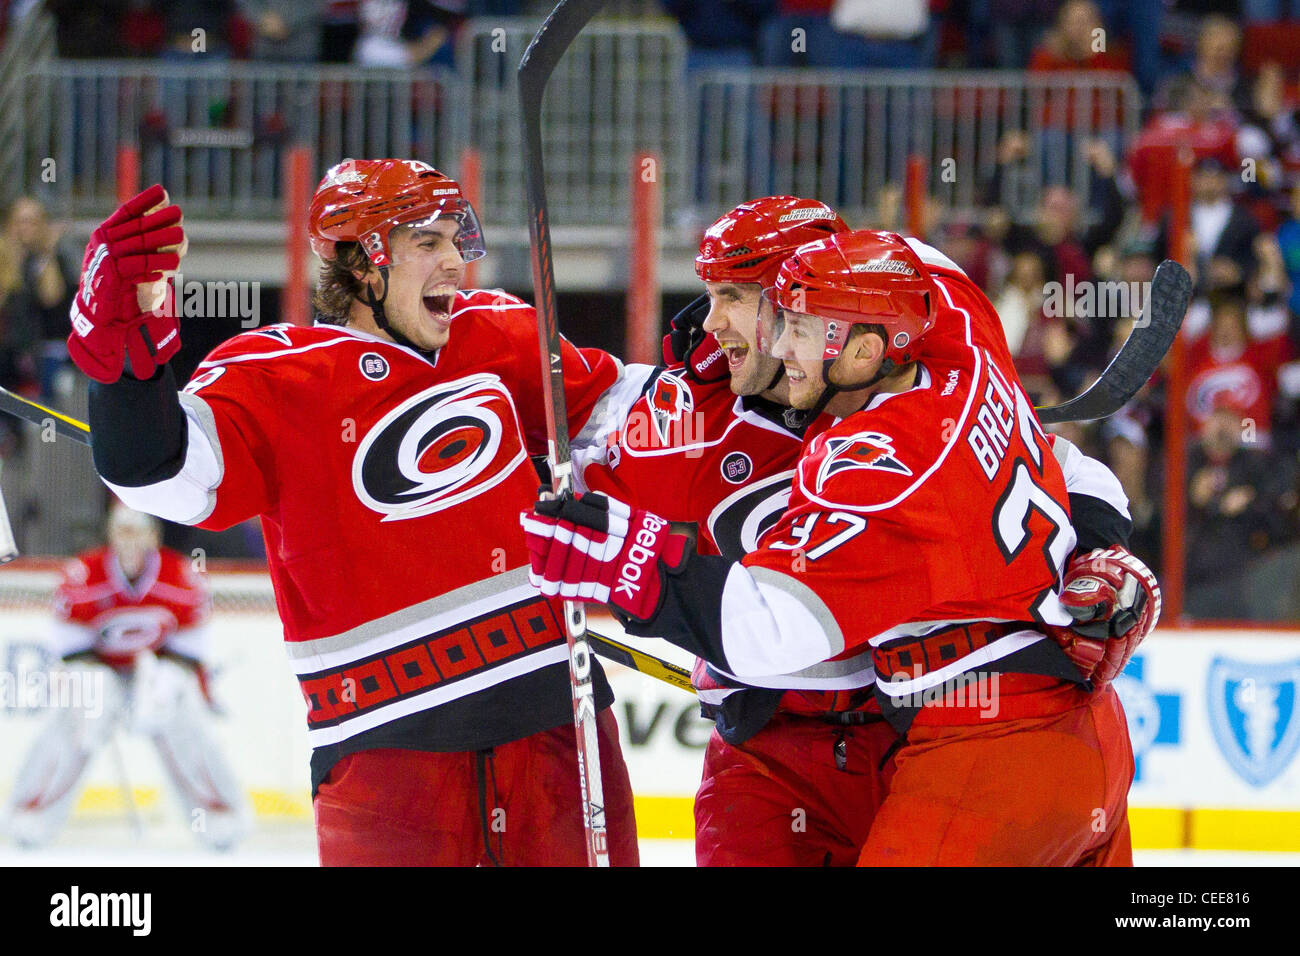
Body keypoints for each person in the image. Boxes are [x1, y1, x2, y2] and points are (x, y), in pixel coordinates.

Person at [65, 161, 641, 865]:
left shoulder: (497, 336)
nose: (455, 262)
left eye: (457, 240)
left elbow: (638, 424)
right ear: (360, 262)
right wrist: (124, 373)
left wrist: (721, 382)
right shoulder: (276, 372)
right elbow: (161, 474)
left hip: (558, 722)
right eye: (428, 243)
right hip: (386, 755)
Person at [525, 229, 1151, 866]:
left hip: (977, 746)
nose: (776, 343)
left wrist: (629, 562)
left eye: (785, 317)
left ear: (864, 347)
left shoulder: (872, 458)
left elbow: (768, 623)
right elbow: (1059, 459)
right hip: (1057, 727)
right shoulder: (962, 347)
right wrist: (1101, 551)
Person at [6, 503, 249, 851]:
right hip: (97, 667)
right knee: (77, 722)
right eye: (122, 530)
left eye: (137, 531)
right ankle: (29, 815)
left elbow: (193, 640)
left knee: (183, 727)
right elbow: (66, 637)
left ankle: (220, 817)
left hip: (156, 669)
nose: (129, 539)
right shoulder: (84, 573)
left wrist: (167, 673)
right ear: (111, 533)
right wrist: (93, 675)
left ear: (154, 535)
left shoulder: (180, 575)